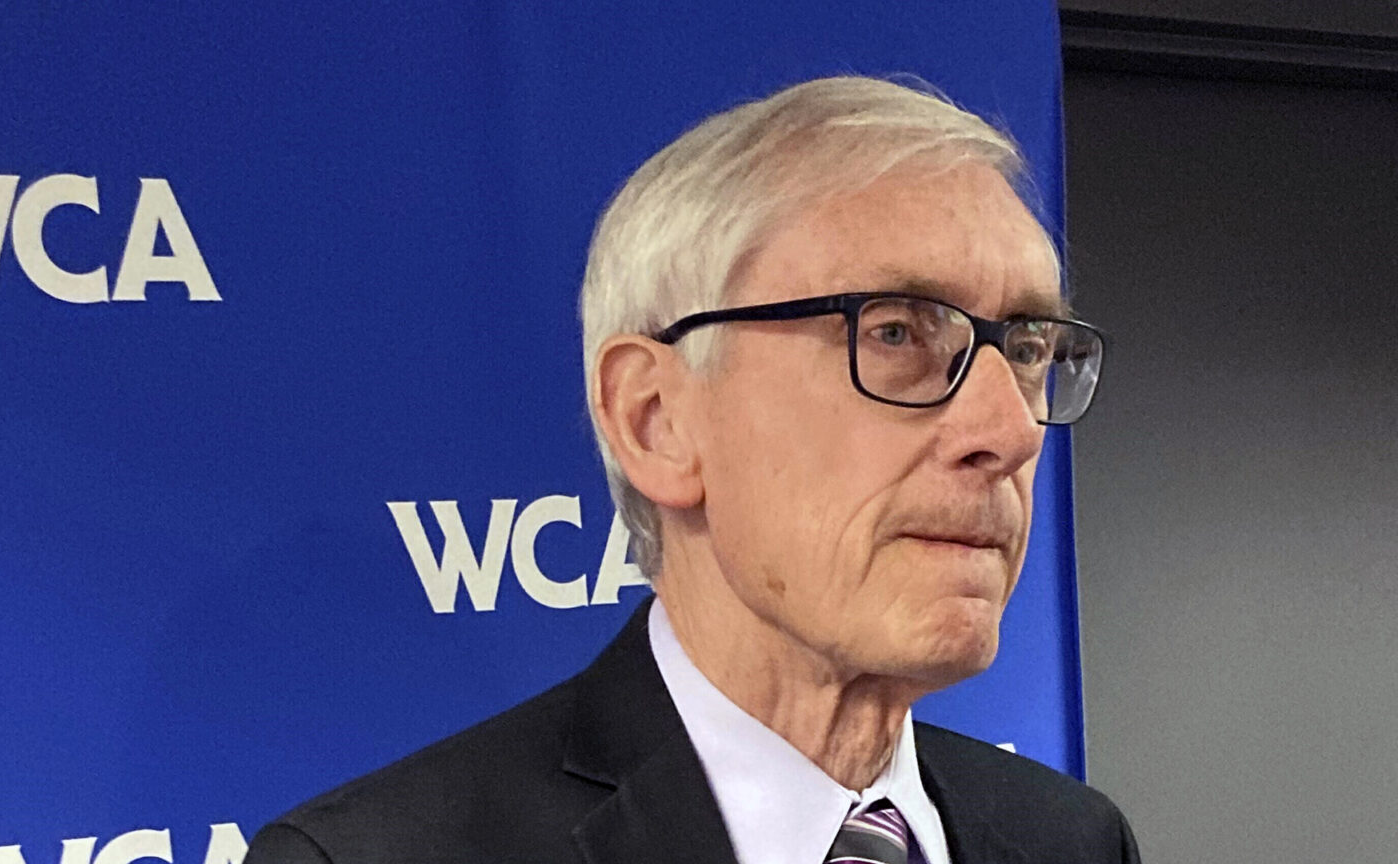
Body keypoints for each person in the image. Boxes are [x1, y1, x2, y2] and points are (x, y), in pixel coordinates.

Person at [244, 75, 1137, 864]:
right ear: (656, 421)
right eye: (895, 333)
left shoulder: (1072, 839)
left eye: (1025, 348)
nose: (1010, 428)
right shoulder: (378, 854)